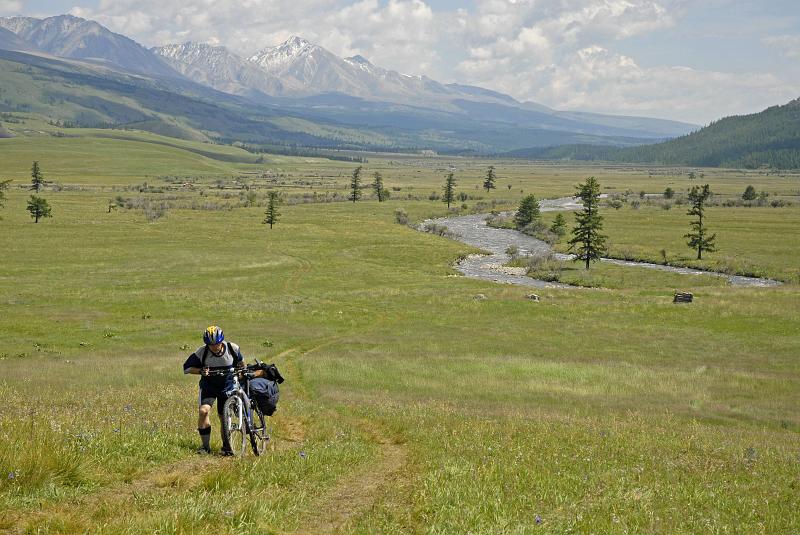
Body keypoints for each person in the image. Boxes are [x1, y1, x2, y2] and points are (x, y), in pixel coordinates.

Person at [183, 325, 244, 455]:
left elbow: (241, 364)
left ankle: (226, 448)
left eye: (216, 344)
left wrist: (241, 376)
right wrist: (200, 371)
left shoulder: (233, 348)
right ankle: (205, 447)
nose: (214, 347)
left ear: (221, 341)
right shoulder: (202, 352)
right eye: (210, 345)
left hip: (227, 388)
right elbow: (186, 368)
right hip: (209, 387)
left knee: (224, 418)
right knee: (203, 411)